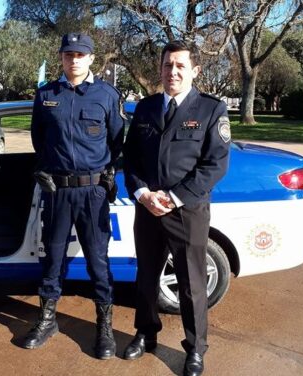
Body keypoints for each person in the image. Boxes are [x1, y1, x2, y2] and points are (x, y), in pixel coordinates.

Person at [122, 40, 231, 376]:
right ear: (161, 68)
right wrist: (142, 193)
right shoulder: (145, 108)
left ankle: (195, 349)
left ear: (195, 70)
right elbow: (132, 159)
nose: (173, 72)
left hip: (187, 211)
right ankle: (145, 333)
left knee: (191, 283)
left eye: (181, 66)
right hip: (148, 210)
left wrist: (174, 197)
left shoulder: (211, 109)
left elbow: (215, 165)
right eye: (168, 65)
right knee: (146, 276)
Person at [23, 32, 124, 360]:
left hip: (93, 193)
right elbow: (39, 138)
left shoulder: (107, 95)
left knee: (98, 260)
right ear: (62, 57)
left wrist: (106, 176)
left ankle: (104, 328)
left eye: (80, 55)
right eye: (68, 54)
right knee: (52, 259)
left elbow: (117, 142)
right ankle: (47, 320)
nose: (74, 60)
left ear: (92, 59)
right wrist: (48, 168)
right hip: (56, 191)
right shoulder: (45, 95)